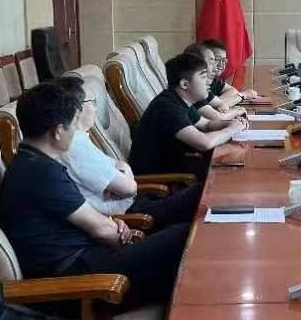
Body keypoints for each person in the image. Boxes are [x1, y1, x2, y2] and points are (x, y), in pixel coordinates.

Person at [0, 83, 188, 310]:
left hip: (85, 262)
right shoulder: (40, 172)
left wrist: (111, 224)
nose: (75, 131)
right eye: (73, 124)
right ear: (58, 131)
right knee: (183, 238)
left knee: (183, 240)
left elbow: (90, 219)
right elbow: (101, 230)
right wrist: (114, 231)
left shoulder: (32, 163)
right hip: (77, 283)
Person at [53, 76, 201, 228]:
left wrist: (123, 171)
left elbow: (123, 174)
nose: (96, 109)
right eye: (92, 102)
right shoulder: (75, 148)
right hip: (133, 214)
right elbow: (129, 189)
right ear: (77, 108)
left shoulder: (79, 139)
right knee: (200, 195)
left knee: (201, 194)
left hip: (135, 202)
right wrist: (123, 173)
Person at [128, 52, 247, 180]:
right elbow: (204, 143)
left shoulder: (180, 99)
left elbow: (206, 125)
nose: (209, 81)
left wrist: (231, 123)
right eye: (203, 77)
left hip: (178, 168)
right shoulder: (167, 107)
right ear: (184, 84)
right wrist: (231, 129)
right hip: (161, 180)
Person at [183, 43, 247, 121]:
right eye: (212, 63)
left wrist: (228, 114)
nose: (216, 67)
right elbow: (216, 117)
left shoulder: (203, 87)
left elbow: (221, 105)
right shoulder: (193, 89)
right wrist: (236, 111)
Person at [200, 38, 259, 107]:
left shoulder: (213, 79)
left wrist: (218, 101)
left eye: (224, 60)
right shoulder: (197, 82)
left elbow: (233, 90)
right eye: (217, 59)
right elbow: (210, 108)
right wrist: (243, 95)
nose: (221, 64)